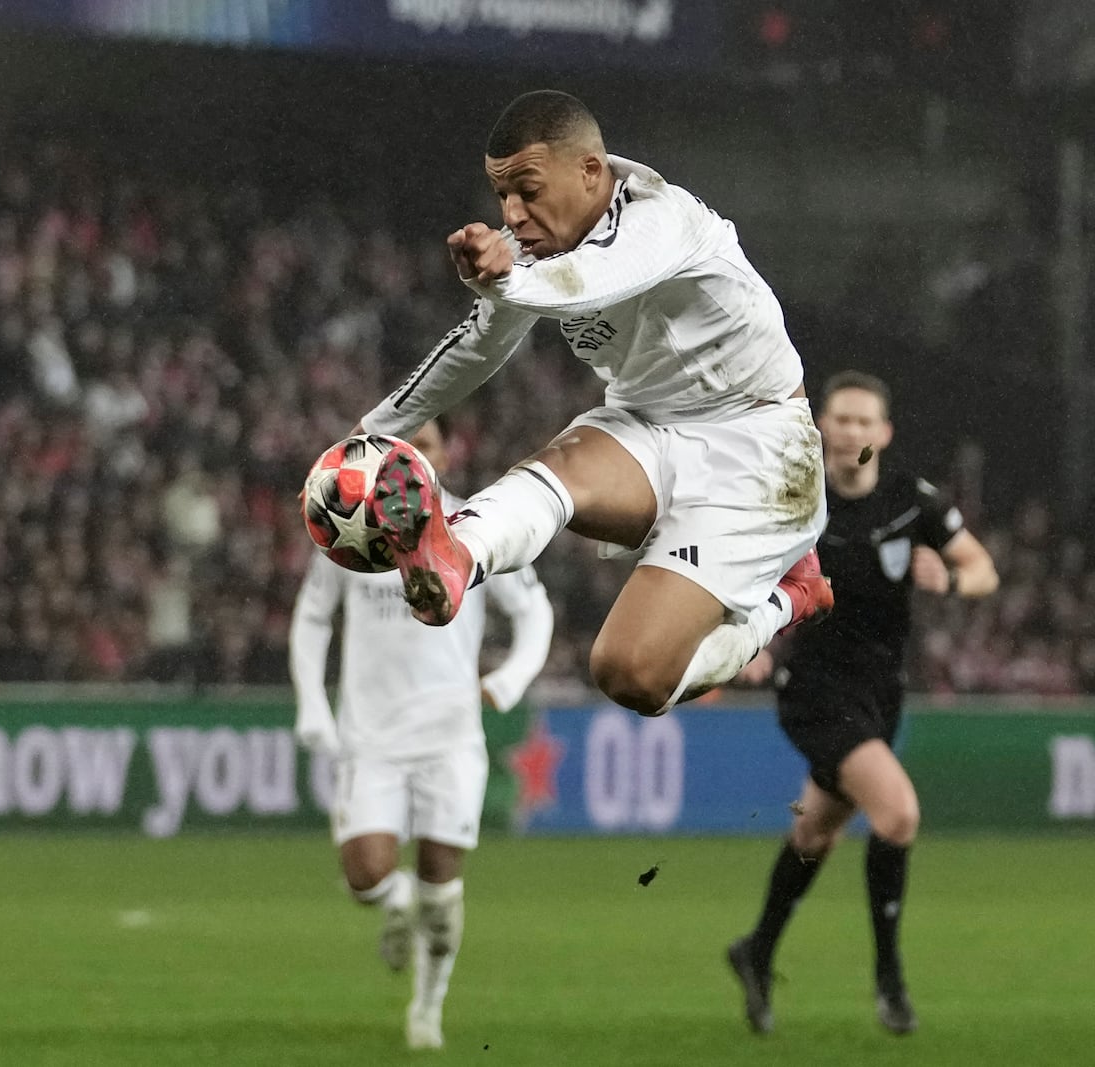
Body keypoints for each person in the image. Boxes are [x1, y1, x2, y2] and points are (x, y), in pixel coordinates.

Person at [348, 89, 831, 719]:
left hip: (763, 450)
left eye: (528, 189)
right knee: (564, 464)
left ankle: (791, 596)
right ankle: (453, 556)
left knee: (629, 673)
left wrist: (508, 280)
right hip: (646, 427)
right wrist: (368, 434)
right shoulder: (530, 250)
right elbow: (474, 347)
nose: (513, 213)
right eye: (502, 196)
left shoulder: (664, 218)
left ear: (590, 172)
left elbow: (593, 282)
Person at [726, 371, 999, 1035]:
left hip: (881, 693)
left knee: (815, 830)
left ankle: (756, 949)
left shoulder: (913, 500)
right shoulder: (795, 498)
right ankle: (889, 980)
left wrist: (954, 577)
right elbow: (732, 568)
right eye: (839, 419)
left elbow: (982, 567)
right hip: (815, 690)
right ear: (820, 426)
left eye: (862, 421)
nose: (849, 431)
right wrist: (743, 635)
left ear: (884, 433)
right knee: (898, 813)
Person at [290, 420, 554, 1051]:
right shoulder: (350, 531)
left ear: (440, 458)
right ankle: (394, 902)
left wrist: (510, 679)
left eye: (427, 447)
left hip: (450, 736)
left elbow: (534, 610)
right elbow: (311, 617)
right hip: (371, 738)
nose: (412, 461)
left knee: (444, 887)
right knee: (367, 877)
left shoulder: (476, 527)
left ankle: (427, 1009)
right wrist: (311, 704)